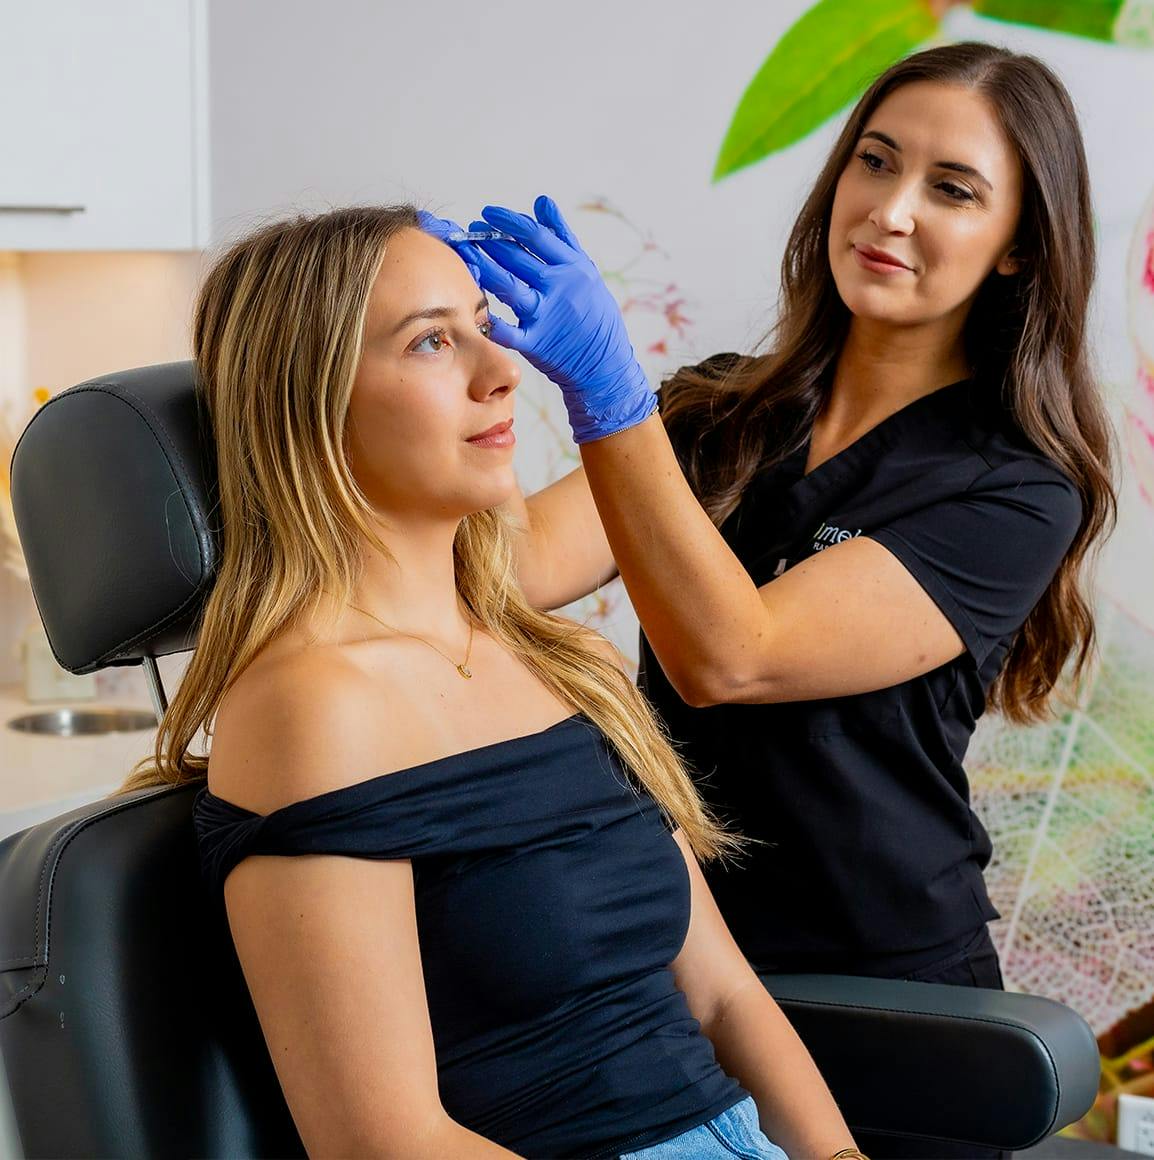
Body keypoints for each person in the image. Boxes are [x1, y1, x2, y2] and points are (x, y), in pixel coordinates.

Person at [116, 206, 860, 1159]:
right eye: (431, 341)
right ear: (310, 403)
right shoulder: (314, 709)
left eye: (482, 324)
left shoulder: (565, 663)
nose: (503, 371)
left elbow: (721, 995)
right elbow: (386, 1143)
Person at [432, 42, 1117, 992]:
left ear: (1021, 246)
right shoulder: (718, 413)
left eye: (953, 189)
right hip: (676, 958)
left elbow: (730, 657)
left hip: (881, 985)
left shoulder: (1017, 488)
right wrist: (468, 369)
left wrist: (609, 395)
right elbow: (506, 570)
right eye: (874, 161)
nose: (891, 208)